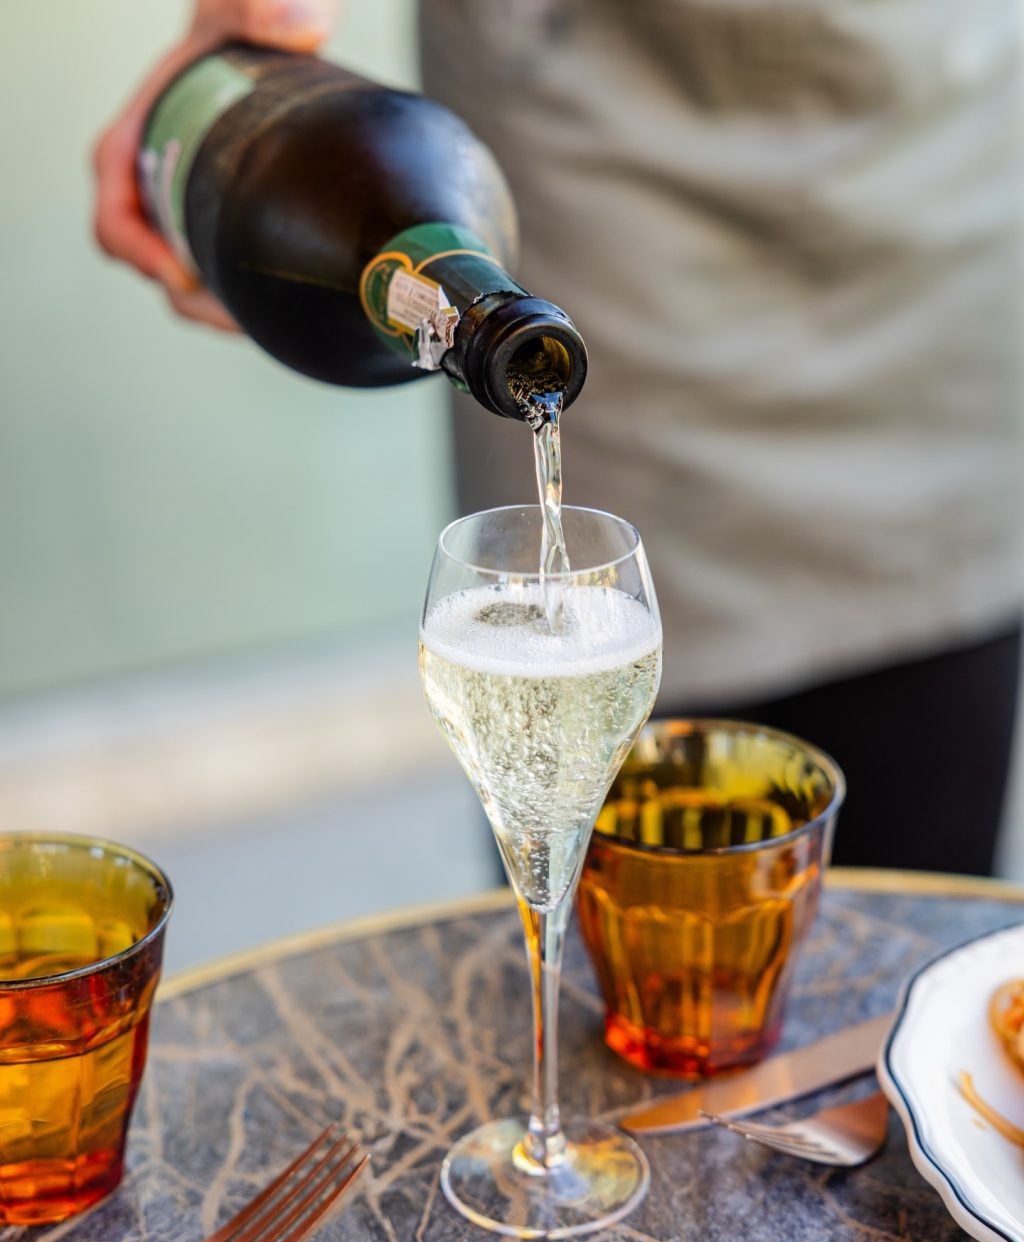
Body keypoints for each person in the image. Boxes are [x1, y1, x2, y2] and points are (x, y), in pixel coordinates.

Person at [94, 0, 1024, 876]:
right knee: (595, 895)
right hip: (595, 152)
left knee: (910, 912)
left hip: (933, 168)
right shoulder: (444, 214)